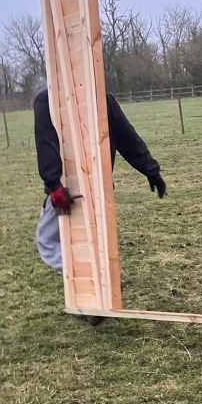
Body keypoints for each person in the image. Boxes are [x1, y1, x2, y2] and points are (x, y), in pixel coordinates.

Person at [34, 87, 166, 317]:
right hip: (94, 189)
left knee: (47, 242)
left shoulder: (48, 99)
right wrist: (150, 170)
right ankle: (94, 299)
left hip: (66, 193)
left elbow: (45, 142)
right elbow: (128, 138)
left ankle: (95, 284)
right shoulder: (101, 97)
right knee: (89, 243)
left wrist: (54, 185)